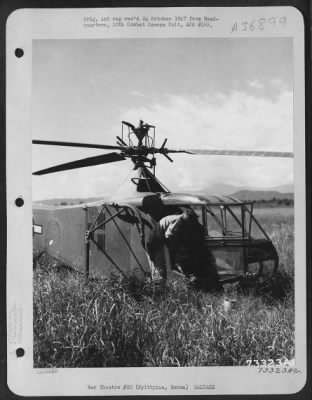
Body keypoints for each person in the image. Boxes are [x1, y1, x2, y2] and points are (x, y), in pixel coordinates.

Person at [146, 209, 220, 290]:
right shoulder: (178, 222)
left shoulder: (194, 225)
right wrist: (176, 258)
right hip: (156, 241)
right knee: (160, 271)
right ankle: (158, 292)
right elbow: (170, 238)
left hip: (168, 238)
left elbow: (200, 241)